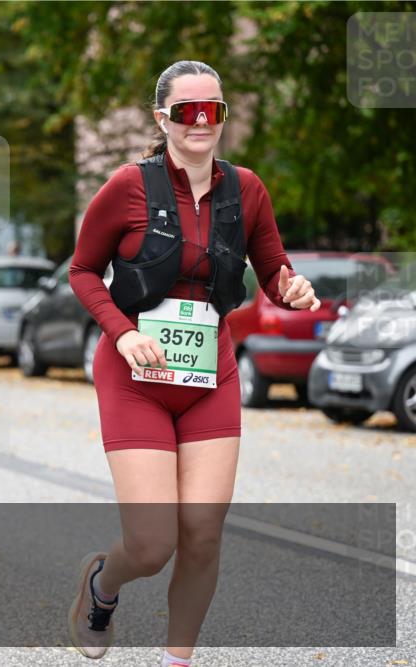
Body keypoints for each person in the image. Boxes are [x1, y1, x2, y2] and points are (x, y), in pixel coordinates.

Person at [66, 61, 320, 667]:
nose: (202, 121)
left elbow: (274, 273)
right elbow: (82, 272)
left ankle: (177, 660)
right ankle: (102, 586)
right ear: (164, 119)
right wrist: (122, 333)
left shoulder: (247, 189)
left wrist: (295, 291)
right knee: (153, 545)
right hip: (135, 377)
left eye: (214, 109)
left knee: (203, 534)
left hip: (210, 373)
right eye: (187, 111)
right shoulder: (128, 186)